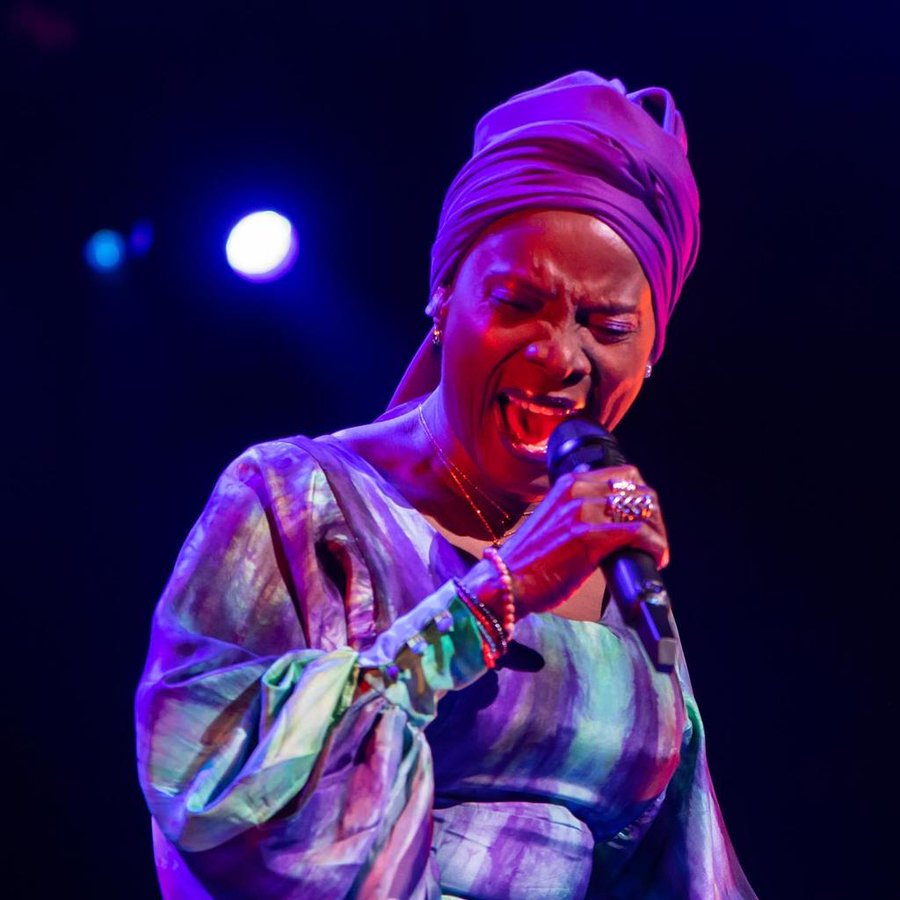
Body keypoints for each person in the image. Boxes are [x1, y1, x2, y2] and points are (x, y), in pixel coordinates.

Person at [136, 71, 757, 898]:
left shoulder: (622, 570)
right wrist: (498, 591)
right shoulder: (297, 498)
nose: (561, 356)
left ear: (651, 352)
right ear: (443, 298)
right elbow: (213, 780)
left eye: (607, 327)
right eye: (519, 303)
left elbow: (671, 861)